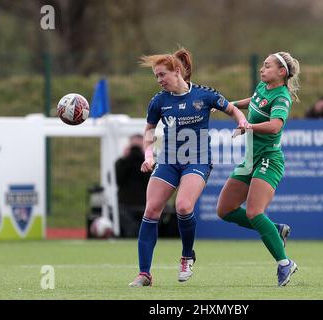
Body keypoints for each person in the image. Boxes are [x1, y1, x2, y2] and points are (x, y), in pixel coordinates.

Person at [128, 48, 249, 287]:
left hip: (198, 159)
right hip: (169, 160)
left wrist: (241, 121)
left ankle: (186, 256)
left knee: (183, 206)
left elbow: (232, 108)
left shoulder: (204, 95)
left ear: (177, 71)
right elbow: (149, 131)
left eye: (162, 74)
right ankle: (144, 274)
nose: (159, 80)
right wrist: (148, 155)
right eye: (156, 76)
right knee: (151, 210)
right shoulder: (158, 101)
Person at [216, 52, 300, 286]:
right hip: (250, 159)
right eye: (262, 66)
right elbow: (252, 101)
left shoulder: (282, 96)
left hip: (268, 160)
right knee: (224, 210)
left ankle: (285, 264)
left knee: (254, 212)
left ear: (281, 73)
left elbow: (275, 126)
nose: (262, 70)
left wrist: (247, 125)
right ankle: (275, 229)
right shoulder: (263, 87)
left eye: (267, 66)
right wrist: (230, 105)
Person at [115, 134, 150, 238]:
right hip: (125, 204)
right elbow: (119, 179)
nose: (135, 152)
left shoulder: (149, 163)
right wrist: (126, 160)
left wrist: (147, 158)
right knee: (131, 230)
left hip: (145, 204)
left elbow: (150, 181)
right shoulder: (122, 162)